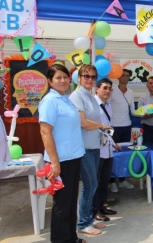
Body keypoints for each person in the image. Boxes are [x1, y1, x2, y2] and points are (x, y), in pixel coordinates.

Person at [38, 64, 85, 243]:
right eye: (58, 77)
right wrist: (55, 163)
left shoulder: (65, 98)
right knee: (62, 204)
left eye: (65, 77)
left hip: (73, 157)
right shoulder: (49, 101)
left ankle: (71, 238)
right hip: (61, 160)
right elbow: (45, 132)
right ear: (50, 81)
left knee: (71, 202)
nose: (63, 80)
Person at [69, 64, 112, 235]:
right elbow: (83, 122)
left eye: (93, 77)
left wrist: (103, 131)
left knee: (93, 185)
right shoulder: (77, 96)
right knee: (90, 185)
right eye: (86, 76)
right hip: (84, 148)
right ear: (79, 78)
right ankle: (83, 223)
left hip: (94, 146)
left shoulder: (91, 97)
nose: (90, 79)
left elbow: (92, 123)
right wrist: (101, 125)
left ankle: (89, 217)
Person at [93, 78, 121, 222]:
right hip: (97, 148)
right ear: (97, 89)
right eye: (105, 88)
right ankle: (95, 210)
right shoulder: (92, 105)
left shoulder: (108, 105)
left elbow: (108, 128)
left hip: (108, 148)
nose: (107, 91)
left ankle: (102, 206)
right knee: (96, 181)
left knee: (105, 180)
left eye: (110, 88)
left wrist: (114, 143)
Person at [110, 69, 135, 192]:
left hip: (126, 126)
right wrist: (108, 125)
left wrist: (146, 113)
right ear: (118, 77)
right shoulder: (112, 90)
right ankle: (111, 181)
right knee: (112, 154)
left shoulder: (130, 92)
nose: (125, 78)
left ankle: (122, 179)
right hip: (114, 127)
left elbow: (133, 111)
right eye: (123, 75)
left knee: (124, 154)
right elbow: (107, 107)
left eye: (128, 76)